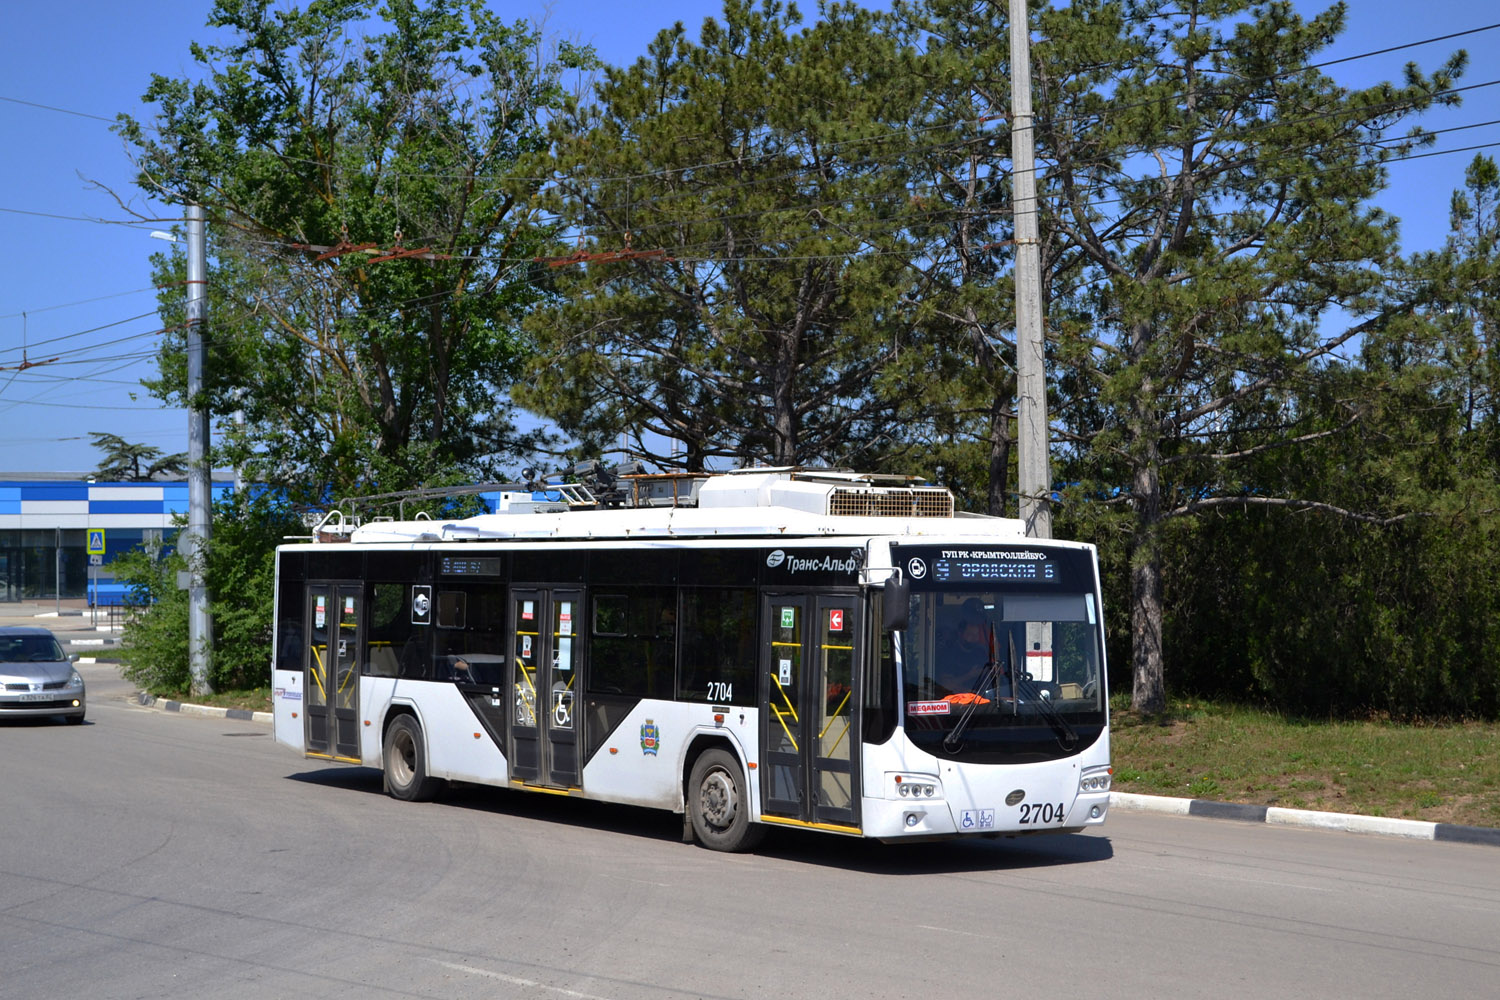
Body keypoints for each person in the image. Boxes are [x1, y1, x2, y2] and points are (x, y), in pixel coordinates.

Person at [936, 599, 992, 696]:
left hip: (982, 705)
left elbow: (991, 684)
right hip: (956, 706)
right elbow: (946, 685)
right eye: (970, 634)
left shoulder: (982, 654)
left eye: (976, 635)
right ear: (960, 633)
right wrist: (969, 675)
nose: (973, 638)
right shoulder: (948, 655)